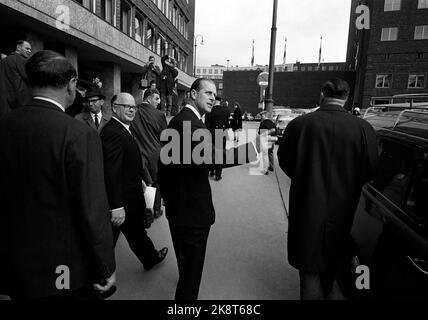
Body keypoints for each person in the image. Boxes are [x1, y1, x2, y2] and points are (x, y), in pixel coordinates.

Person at [0, 50, 116, 300]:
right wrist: (105, 265)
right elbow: (92, 207)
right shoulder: (78, 133)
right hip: (63, 268)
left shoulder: (5, 125)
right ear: (72, 85)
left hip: (15, 262)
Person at [158, 78, 276, 300]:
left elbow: (164, 163)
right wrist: (254, 148)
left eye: (214, 94)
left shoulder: (183, 120)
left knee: (186, 264)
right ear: (193, 94)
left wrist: (165, 196)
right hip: (191, 213)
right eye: (208, 93)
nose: (213, 97)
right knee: (191, 275)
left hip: (179, 208)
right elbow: (211, 157)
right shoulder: (189, 123)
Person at [277, 78, 379, 300]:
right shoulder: (364, 128)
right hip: (343, 214)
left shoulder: (300, 125)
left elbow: (285, 161)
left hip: (307, 210)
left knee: (309, 272)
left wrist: (306, 177)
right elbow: (372, 168)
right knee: (334, 270)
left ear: (322, 94)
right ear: (347, 98)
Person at [100, 93, 168, 272]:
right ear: (115, 107)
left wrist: (139, 181)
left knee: (136, 233)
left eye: (133, 107)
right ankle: (96, 277)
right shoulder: (113, 132)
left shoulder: (124, 128)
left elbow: (124, 164)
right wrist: (116, 206)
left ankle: (150, 258)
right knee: (107, 242)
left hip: (129, 195)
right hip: (121, 202)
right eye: (127, 106)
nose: (132, 110)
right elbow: (110, 171)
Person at [132, 89, 168, 219]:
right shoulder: (159, 114)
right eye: (156, 99)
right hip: (155, 154)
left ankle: (145, 212)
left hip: (138, 153)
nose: (159, 102)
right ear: (148, 99)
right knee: (156, 183)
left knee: (143, 184)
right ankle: (156, 210)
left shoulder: (134, 112)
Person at [0, 40, 32, 118]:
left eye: (30, 49)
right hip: (20, 103)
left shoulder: (3, 61)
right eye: (27, 48)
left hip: (5, 102)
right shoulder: (22, 60)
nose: (29, 51)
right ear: (18, 48)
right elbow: (30, 78)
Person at [205, 96, 230, 181]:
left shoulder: (209, 110)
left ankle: (211, 171)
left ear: (214, 101)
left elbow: (207, 125)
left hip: (212, 133)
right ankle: (218, 175)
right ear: (220, 101)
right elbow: (227, 124)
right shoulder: (226, 111)